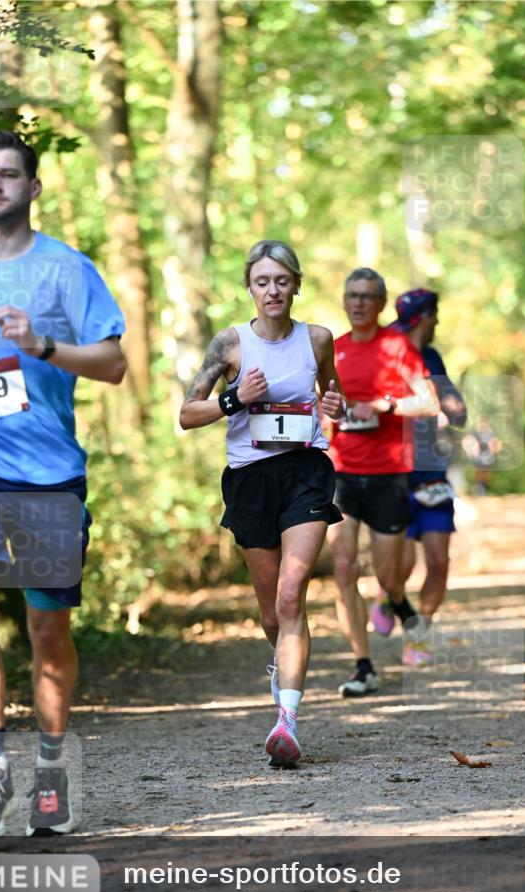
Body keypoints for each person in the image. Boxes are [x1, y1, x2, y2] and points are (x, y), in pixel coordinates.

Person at [0, 130, 126, 836]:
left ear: (32, 186)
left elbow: (113, 364)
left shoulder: (68, 270)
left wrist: (40, 344)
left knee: (47, 628)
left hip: (48, 473)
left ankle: (49, 769)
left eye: (7, 174)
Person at [179, 239, 345, 767]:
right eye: (262, 281)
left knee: (293, 594)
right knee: (273, 609)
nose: (273, 290)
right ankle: (283, 667)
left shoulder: (318, 339)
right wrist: (234, 399)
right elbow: (187, 414)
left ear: (296, 285)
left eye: (282, 281)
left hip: (306, 473)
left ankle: (287, 722)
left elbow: (334, 398)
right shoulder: (230, 345)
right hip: (250, 479)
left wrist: (336, 406)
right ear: (249, 288)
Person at [328, 273, 439, 697]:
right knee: (343, 567)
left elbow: (428, 402)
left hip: (389, 473)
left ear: (380, 304)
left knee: (389, 579)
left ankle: (410, 620)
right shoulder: (331, 349)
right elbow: (318, 404)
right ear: (344, 302)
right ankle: (363, 666)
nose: (358, 303)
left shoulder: (396, 347)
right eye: (352, 296)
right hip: (341, 472)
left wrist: (383, 404)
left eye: (367, 297)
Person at [372, 289, 467, 666]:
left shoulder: (431, 357)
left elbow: (456, 410)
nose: (438, 322)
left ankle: (418, 636)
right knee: (402, 565)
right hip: (392, 473)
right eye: (434, 315)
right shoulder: (382, 354)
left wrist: (452, 404)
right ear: (424, 318)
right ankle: (388, 593)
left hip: (431, 473)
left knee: (439, 562)